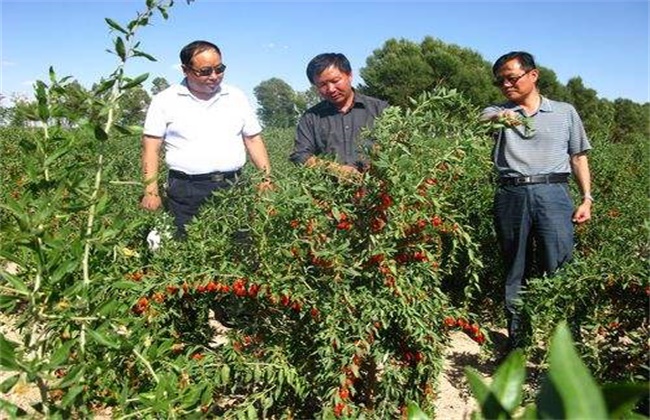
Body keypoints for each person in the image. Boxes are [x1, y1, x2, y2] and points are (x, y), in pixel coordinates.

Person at [481, 51, 593, 350]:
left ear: (533, 75)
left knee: (561, 266)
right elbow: (483, 119)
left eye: (512, 78)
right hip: (512, 194)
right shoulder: (498, 112)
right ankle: (519, 341)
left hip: (553, 193)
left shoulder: (565, 112)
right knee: (515, 268)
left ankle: (569, 343)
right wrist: (500, 116)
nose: (506, 85)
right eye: (500, 81)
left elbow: (578, 157)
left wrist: (586, 198)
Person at [140, 40, 271, 238]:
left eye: (219, 69)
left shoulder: (236, 97)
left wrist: (266, 178)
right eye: (205, 71)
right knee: (187, 247)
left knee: (240, 246)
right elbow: (151, 148)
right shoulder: (165, 100)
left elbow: (253, 139)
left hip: (234, 187)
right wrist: (151, 191)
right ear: (185, 70)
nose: (214, 76)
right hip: (186, 190)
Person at [289, 53, 388, 179]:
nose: (331, 89)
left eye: (335, 81)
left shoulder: (380, 109)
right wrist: (334, 169)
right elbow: (300, 155)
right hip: (329, 194)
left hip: (379, 191)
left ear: (350, 75)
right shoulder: (311, 117)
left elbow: (400, 148)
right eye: (322, 85)